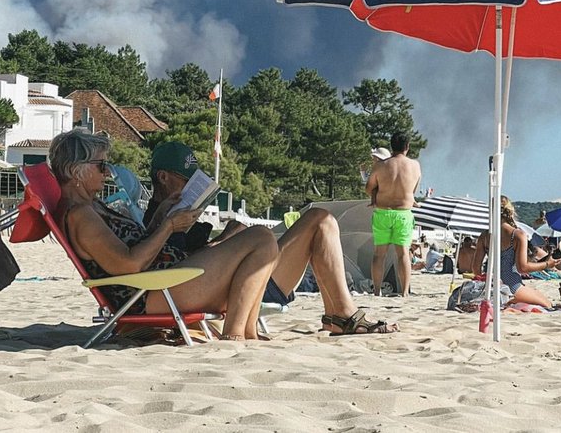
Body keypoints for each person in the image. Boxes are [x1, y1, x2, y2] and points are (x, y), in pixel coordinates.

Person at [146, 141, 397, 335]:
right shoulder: (156, 222)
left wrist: (226, 236)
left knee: (322, 220)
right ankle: (342, 315)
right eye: (185, 180)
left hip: (241, 276)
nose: (190, 186)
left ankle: (340, 313)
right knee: (314, 221)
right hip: (235, 286)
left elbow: (204, 255)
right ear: (163, 177)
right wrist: (223, 241)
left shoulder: (177, 218)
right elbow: (185, 269)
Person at [49, 128, 278, 341]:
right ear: (74, 170)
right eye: (100, 165)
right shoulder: (81, 216)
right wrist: (168, 226)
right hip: (152, 294)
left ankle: (247, 331)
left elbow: (130, 248)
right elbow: (129, 264)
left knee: (259, 239)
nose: (107, 171)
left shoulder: (92, 206)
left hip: (163, 282)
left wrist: (159, 217)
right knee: (260, 238)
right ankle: (235, 333)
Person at [473, 195, 561, 309]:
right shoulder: (517, 235)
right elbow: (522, 268)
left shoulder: (485, 236)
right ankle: (512, 302)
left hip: (492, 286)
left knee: (538, 297)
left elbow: (476, 269)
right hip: (513, 287)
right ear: (511, 212)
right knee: (549, 305)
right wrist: (547, 264)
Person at [366, 131, 421, 297]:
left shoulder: (381, 166)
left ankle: (377, 291)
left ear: (392, 146)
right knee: (403, 253)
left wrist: (378, 192)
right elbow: (414, 189)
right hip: (403, 213)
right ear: (407, 147)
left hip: (383, 211)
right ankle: (404, 292)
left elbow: (369, 187)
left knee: (379, 254)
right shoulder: (415, 166)